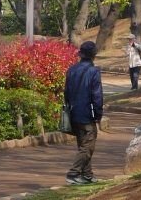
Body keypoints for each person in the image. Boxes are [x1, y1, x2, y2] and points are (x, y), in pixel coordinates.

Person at [64, 40, 104, 185]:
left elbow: (66, 93)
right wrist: (98, 115)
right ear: (94, 55)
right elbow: (97, 96)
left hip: (73, 113)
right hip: (86, 114)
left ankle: (87, 174)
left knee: (83, 144)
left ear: (80, 54)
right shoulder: (94, 71)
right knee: (88, 145)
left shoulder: (71, 69)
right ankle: (73, 173)